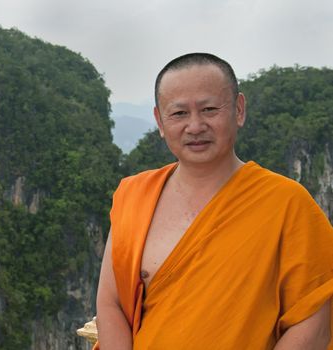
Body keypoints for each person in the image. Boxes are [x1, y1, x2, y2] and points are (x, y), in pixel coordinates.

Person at [95, 53, 333, 349]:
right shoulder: (134, 195)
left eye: (209, 109)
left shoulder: (288, 204)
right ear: (159, 120)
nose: (195, 126)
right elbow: (111, 303)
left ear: (239, 110)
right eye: (179, 113)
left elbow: (313, 323)